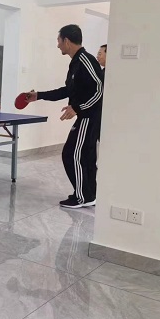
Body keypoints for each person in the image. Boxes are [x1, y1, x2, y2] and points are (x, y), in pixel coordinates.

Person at [25, 24, 103, 208]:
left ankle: (82, 197)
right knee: (85, 157)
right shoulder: (76, 62)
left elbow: (100, 90)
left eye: (58, 41)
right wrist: (39, 95)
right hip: (85, 116)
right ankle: (90, 195)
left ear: (66, 41)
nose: (58, 45)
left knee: (71, 154)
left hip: (89, 117)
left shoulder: (85, 60)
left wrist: (78, 108)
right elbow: (68, 90)